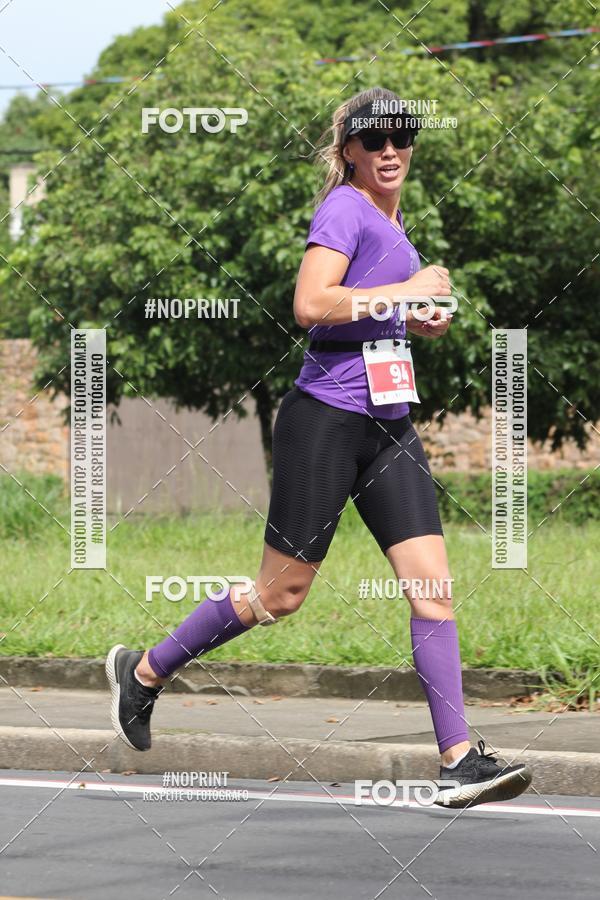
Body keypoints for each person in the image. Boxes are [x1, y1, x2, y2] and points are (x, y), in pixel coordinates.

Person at [106, 86, 532, 809]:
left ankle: (459, 760)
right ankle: (145, 672)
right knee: (282, 594)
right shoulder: (343, 208)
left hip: (390, 425)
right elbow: (310, 304)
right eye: (375, 140)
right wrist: (404, 288)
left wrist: (419, 316)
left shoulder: (397, 224)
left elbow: (370, 312)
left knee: (433, 587)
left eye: (402, 136)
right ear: (351, 152)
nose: (390, 149)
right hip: (326, 421)